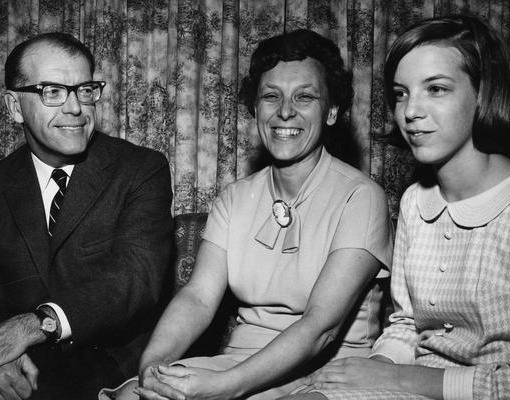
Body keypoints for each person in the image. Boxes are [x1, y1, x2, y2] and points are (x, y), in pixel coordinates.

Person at [101, 28, 393, 400]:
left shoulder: (361, 197)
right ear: (256, 109)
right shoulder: (236, 198)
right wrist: (153, 368)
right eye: (271, 96)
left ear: (332, 111)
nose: (285, 111)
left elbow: (321, 328)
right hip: (238, 364)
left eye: (305, 97)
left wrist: (224, 389)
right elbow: (198, 298)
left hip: (328, 374)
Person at [282, 14, 510, 400]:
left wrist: (400, 381)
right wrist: (375, 369)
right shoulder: (415, 200)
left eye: (436, 89)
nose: (410, 112)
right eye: (401, 93)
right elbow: (405, 324)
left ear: (484, 92)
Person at [0, 32, 173, 400]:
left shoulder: (141, 169)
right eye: (52, 91)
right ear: (14, 107)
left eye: (85, 90)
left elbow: (135, 279)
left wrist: (34, 325)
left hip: (114, 370)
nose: (75, 107)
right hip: (22, 369)